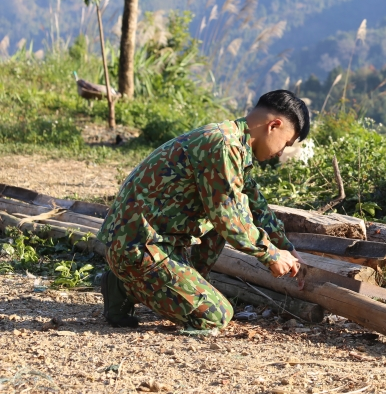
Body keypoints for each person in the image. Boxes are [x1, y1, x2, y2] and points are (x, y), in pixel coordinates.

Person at [96, 90, 310, 334]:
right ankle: (128, 285)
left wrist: (288, 249)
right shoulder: (224, 145)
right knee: (215, 316)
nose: (281, 152)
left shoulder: (233, 141)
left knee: (218, 227)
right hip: (138, 247)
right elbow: (230, 219)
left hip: (141, 242)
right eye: (286, 143)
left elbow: (253, 205)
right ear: (274, 125)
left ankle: (156, 284)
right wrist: (271, 255)